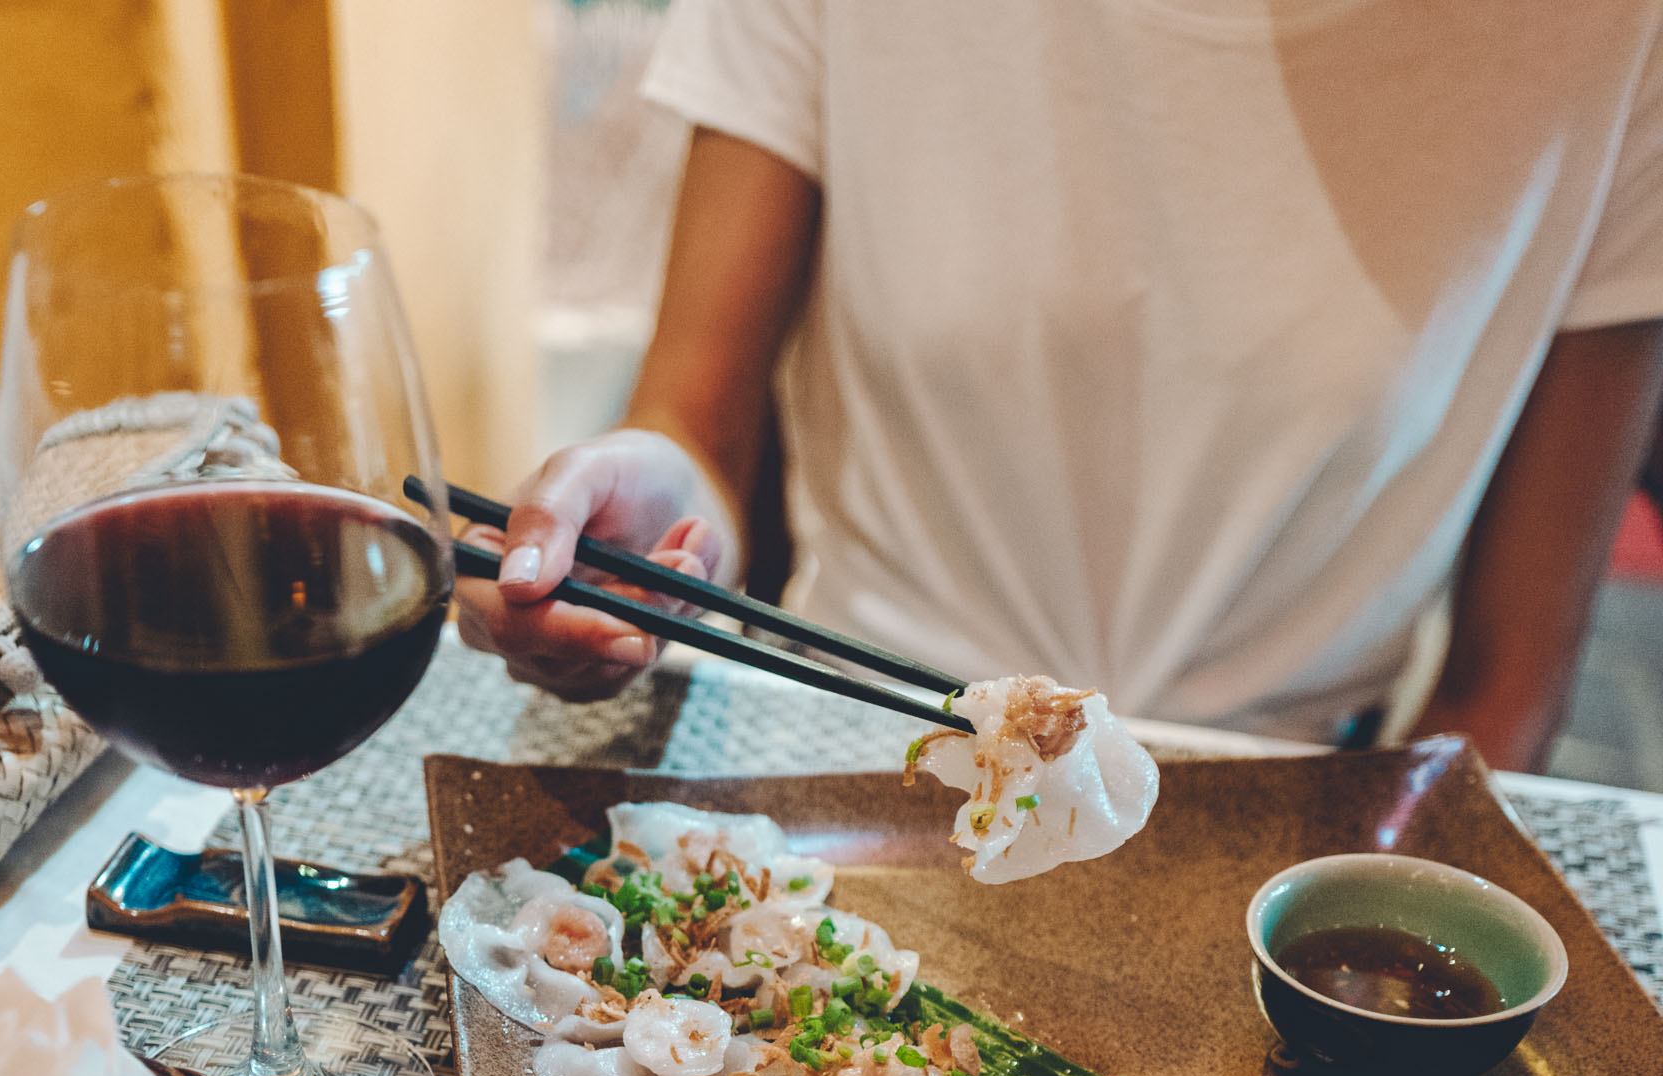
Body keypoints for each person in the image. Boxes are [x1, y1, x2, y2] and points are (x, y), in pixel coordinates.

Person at [458, 0, 1663, 770]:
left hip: (1276, 839)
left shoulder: (1609, 41)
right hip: (845, 766)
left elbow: (1507, 681)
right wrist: (644, 544)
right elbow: (699, 423)